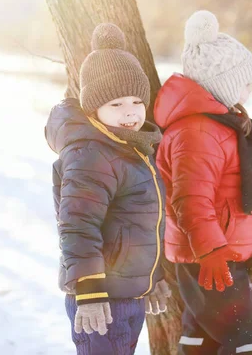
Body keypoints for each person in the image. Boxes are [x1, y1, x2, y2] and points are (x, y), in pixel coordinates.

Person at [153, 10, 252, 355]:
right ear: (222, 83)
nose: (248, 89)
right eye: (244, 82)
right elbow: (190, 198)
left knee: (205, 335)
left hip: (212, 249)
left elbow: (235, 158)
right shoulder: (196, 132)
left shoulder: (213, 123)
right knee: (247, 338)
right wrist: (212, 250)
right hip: (210, 254)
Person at [45, 23, 171, 355]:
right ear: (93, 108)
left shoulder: (133, 148)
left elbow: (141, 224)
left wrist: (150, 279)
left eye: (135, 101)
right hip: (99, 300)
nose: (130, 111)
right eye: (115, 104)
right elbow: (77, 226)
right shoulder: (91, 154)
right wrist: (88, 292)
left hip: (126, 296)